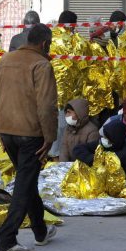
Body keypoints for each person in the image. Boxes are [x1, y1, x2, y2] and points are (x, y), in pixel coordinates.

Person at [0, 23, 58, 251]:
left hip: (8, 132)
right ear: (45, 43)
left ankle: (40, 232)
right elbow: (46, 106)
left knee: (28, 181)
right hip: (31, 134)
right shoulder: (41, 64)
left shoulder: (6, 59)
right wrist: (50, 137)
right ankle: (7, 241)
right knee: (24, 184)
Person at [50, 10, 88, 157]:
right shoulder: (74, 41)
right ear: (72, 25)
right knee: (63, 125)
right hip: (67, 92)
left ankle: (52, 154)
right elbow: (81, 64)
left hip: (49, 90)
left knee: (52, 124)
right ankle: (59, 155)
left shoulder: (50, 37)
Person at [73, 119, 126, 197]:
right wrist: (94, 159)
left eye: (106, 138)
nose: (103, 139)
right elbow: (78, 149)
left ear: (114, 140)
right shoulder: (102, 145)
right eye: (103, 136)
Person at [84, 21, 115, 119]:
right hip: (95, 95)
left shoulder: (109, 45)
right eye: (104, 31)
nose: (106, 34)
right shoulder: (88, 48)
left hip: (109, 93)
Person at [59, 98, 100, 162]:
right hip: (69, 166)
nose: (67, 115)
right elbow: (64, 149)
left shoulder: (92, 131)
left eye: (69, 112)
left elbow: (89, 156)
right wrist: (63, 164)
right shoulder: (69, 128)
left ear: (79, 113)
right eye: (66, 112)